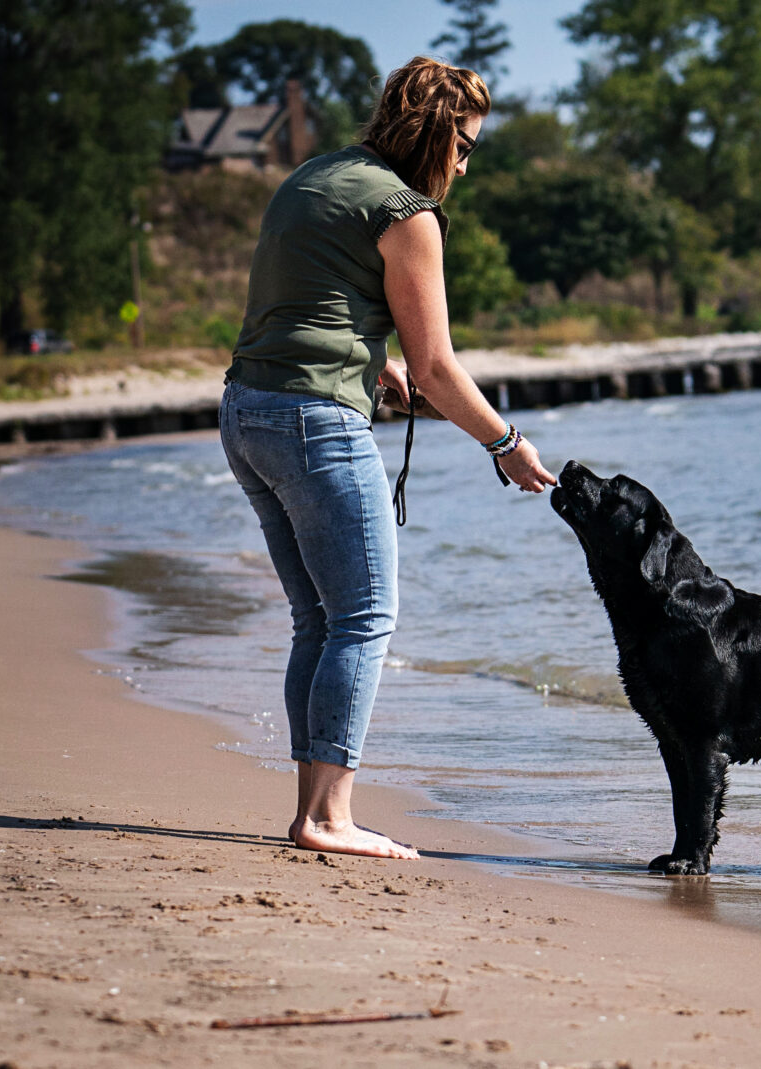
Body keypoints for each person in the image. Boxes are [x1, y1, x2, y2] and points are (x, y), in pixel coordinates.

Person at [218, 57, 556, 860]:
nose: (467, 164)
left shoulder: (316, 175)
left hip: (246, 413)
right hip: (314, 425)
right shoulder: (408, 212)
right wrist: (505, 444)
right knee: (364, 619)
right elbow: (439, 366)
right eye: (466, 146)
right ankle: (329, 818)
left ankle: (312, 812)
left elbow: (309, 300)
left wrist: (376, 363)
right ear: (436, 133)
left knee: (318, 620)